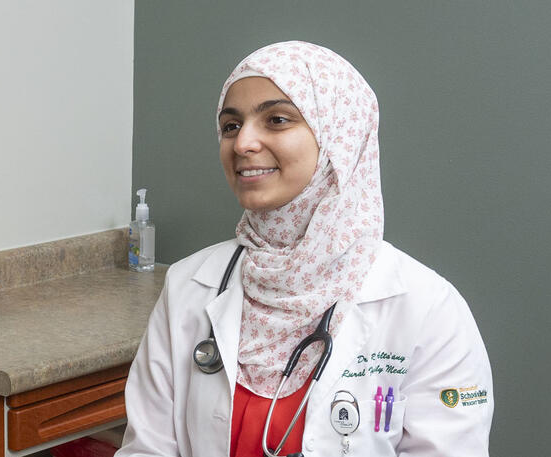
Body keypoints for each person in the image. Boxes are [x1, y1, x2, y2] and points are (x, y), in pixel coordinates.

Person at [117, 41, 493, 457]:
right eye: (230, 125)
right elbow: (146, 449)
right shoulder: (187, 286)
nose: (242, 143)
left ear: (339, 137)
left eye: (276, 120)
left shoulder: (427, 309)